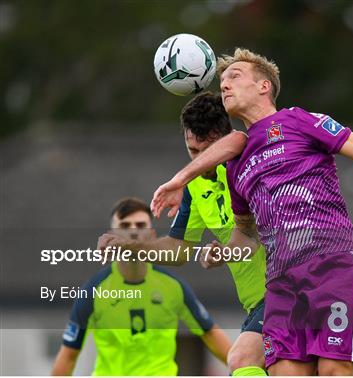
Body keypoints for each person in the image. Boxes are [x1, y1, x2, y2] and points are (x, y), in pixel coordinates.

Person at [151, 48, 353, 375]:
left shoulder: (298, 121)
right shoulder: (236, 164)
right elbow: (246, 233)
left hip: (330, 262)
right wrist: (225, 253)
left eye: (234, 76)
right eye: (222, 81)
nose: (225, 86)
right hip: (281, 283)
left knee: (333, 369)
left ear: (264, 87)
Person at [98, 93, 268, 376]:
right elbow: (178, 249)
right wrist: (130, 247)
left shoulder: (251, 167)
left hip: (286, 291)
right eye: (192, 151)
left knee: (241, 360)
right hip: (255, 303)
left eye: (208, 150)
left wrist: (227, 252)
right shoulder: (194, 188)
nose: (200, 162)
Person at [52, 197, 231, 376]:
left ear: (152, 234)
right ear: (110, 235)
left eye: (140, 225)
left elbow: (210, 333)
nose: (133, 232)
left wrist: (243, 368)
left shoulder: (172, 287)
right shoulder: (94, 291)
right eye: (124, 225)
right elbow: (68, 354)